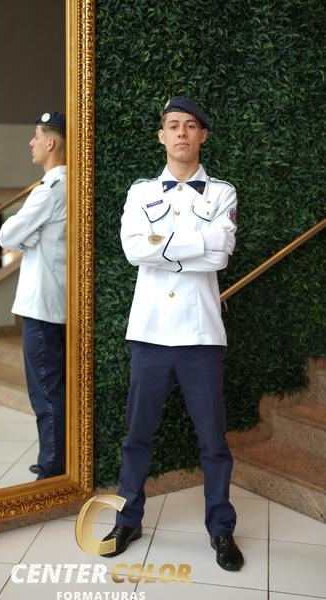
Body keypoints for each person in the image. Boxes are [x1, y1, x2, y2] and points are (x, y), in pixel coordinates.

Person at [103, 96, 244, 571]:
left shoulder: (222, 193)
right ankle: (128, 520)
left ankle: (221, 529)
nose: (181, 132)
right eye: (173, 125)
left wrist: (161, 247)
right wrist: (198, 244)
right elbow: (132, 251)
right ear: (161, 136)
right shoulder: (140, 191)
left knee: (213, 441)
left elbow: (220, 255)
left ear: (202, 135)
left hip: (201, 334)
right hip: (149, 331)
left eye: (190, 125)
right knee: (136, 436)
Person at [0, 111, 66, 480]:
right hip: (54, 304)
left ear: (51, 142)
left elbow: (6, 236)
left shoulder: (49, 190)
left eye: (36, 136)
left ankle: (52, 469)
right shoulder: (67, 186)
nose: (31, 143)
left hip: (42, 308)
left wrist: (27, 238)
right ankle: (56, 461)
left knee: (45, 391)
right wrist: (31, 237)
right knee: (54, 388)